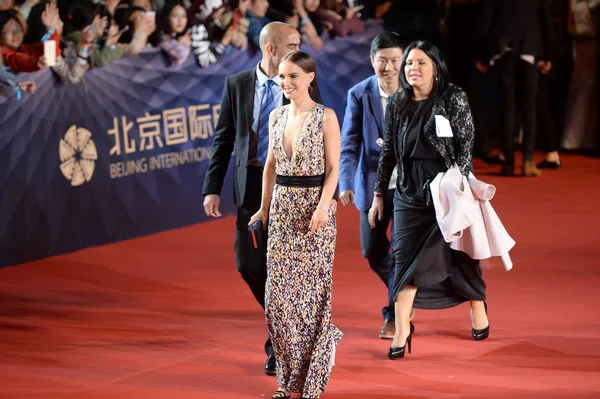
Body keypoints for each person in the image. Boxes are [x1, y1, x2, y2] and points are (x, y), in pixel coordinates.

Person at [202, 22, 322, 375]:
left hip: (292, 187)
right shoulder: (237, 85)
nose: (300, 51)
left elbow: (319, 133)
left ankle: (279, 346)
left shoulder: (303, 80)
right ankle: (285, 325)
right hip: (251, 185)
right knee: (250, 264)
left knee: (283, 270)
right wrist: (212, 186)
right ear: (270, 49)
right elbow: (224, 140)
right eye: (293, 44)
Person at [370, 41, 489, 360]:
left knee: (458, 255)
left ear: (435, 67)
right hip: (409, 192)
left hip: (447, 189)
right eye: (409, 63)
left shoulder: (453, 97)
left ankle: (478, 306)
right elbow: (388, 152)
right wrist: (379, 194)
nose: (413, 68)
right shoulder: (397, 102)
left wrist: (464, 188)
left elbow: (465, 148)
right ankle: (404, 327)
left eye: (421, 63)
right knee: (404, 258)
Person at [248, 50, 342, 399]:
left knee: (310, 299)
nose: (286, 83)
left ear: (310, 78)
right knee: (276, 300)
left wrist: (322, 207)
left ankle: (305, 381)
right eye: (282, 77)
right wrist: (262, 209)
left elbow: (333, 169)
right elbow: (270, 167)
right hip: (282, 214)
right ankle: (288, 378)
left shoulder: (325, 117)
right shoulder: (275, 116)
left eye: (293, 77)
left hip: (314, 215)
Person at [339, 31, 406, 339]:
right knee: (372, 251)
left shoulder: (415, 92)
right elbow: (349, 142)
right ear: (372, 61)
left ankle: (395, 314)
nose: (389, 67)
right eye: (383, 61)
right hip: (370, 186)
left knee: (404, 252)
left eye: (395, 60)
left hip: (408, 188)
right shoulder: (359, 93)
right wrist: (346, 181)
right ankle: (405, 290)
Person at [476, 0, 552, 176]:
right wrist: (547, 55)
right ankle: (528, 161)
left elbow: (486, 21)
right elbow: (545, 19)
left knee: (508, 106)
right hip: (530, 44)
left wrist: (483, 56)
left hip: (504, 48)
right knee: (529, 106)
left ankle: (508, 162)